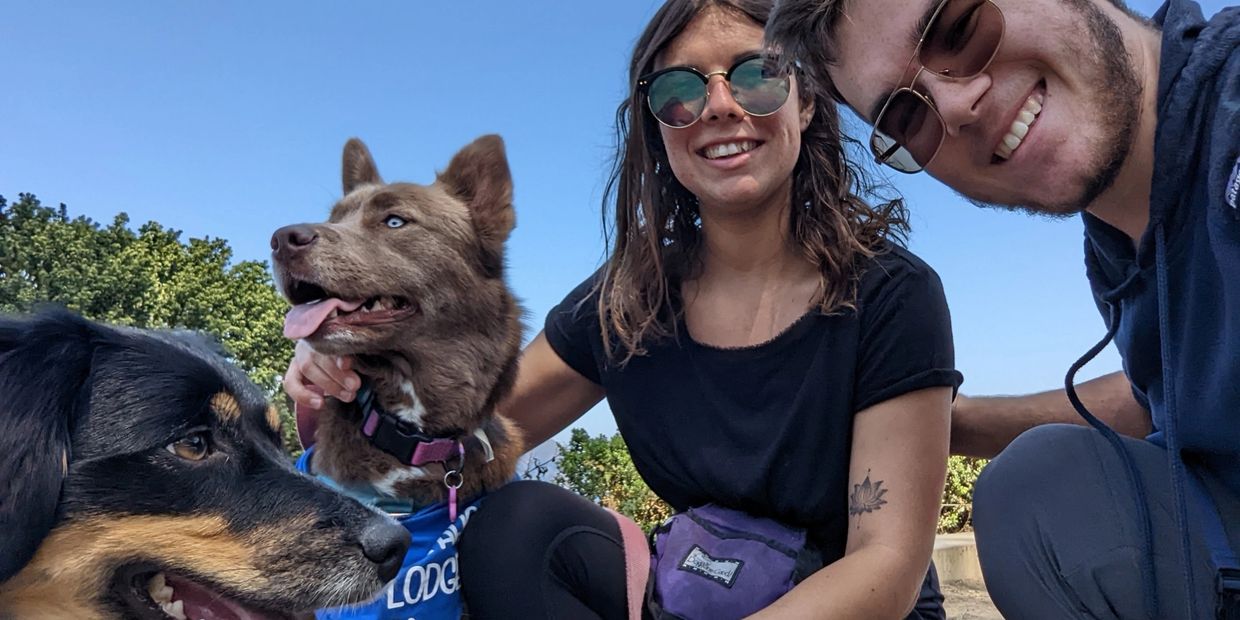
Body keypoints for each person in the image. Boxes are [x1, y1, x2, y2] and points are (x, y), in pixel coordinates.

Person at [286, 0, 963, 617]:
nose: (721, 105)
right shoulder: (628, 300)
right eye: (680, 91)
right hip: (699, 587)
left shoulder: (889, 293)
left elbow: (887, 562)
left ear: (806, 101)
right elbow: (472, 418)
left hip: (849, 607)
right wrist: (344, 367)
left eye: (758, 76)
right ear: (660, 129)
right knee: (518, 524)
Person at [766, 0, 1240, 617]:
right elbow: (1173, 396)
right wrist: (935, 422)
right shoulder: (1119, 251)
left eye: (959, 28)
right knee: (1036, 489)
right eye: (907, 116)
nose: (956, 108)